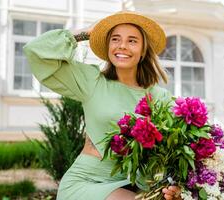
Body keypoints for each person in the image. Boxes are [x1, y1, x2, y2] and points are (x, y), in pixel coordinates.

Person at [24, 11, 181, 200]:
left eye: (132, 41)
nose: (122, 45)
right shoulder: (92, 82)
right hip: (86, 182)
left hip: (136, 184)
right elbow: (35, 50)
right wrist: (88, 33)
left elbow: (174, 149)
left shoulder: (159, 97)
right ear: (108, 46)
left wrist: (175, 187)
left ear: (143, 50)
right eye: (115, 39)